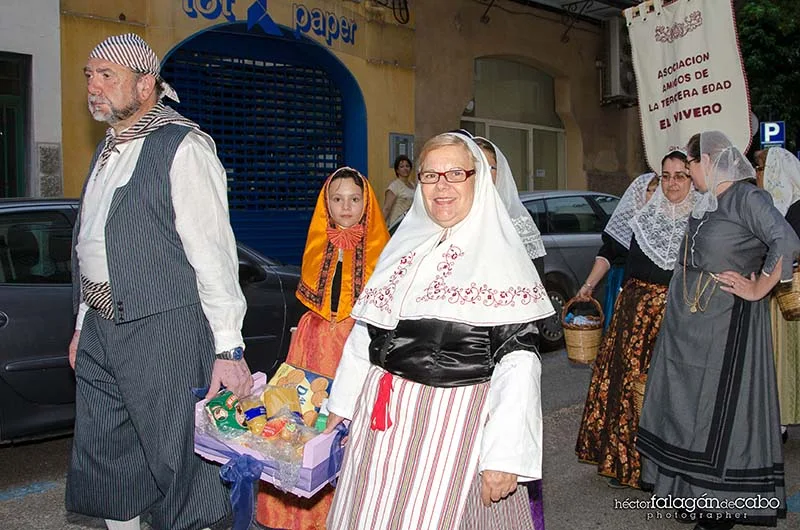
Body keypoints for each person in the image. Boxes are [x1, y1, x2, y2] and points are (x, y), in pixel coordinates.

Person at [66, 34, 252, 530]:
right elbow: (94, 247)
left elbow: (213, 254)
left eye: (108, 75)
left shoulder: (183, 146)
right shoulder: (108, 150)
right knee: (109, 458)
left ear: (145, 85)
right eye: (90, 74)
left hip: (164, 328)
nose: (94, 86)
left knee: (179, 468)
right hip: (104, 327)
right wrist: (85, 323)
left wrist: (229, 349)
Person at [323, 132, 555, 529]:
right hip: (380, 427)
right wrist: (340, 408)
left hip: (452, 431)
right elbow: (365, 336)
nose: (441, 186)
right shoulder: (403, 246)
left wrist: (503, 458)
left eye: (455, 173)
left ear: (478, 180)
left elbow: (519, 364)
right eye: (430, 175)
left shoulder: (502, 257)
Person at [637, 131, 798, 530]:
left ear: (706, 160)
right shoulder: (711, 203)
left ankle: (719, 508)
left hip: (726, 328)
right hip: (690, 329)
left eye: (689, 166)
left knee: (716, 415)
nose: (688, 175)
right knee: (688, 413)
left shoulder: (747, 198)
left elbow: (787, 239)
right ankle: (693, 496)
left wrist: (759, 286)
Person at [256, 167, 389, 529]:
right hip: (312, 345)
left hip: (357, 345)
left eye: (354, 199)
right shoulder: (317, 242)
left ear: (367, 203)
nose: (346, 207)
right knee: (303, 420)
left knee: (354, 433)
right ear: (326, 203)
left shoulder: (386, 250)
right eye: (337, 198)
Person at [575, 150, 696, 489]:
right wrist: (587, 288)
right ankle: (625, 461)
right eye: (666, 175)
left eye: (680, 176)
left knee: (668, 393)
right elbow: (609, 253)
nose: (672, 183)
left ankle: (664, 467)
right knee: (627, 389)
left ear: (692, 179)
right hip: (633, 315)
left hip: (675, 317)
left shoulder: (700, 219)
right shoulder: (643, 217)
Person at [758, 146, 800, 442]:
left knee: (785, 358)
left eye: (760, 169)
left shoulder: (793, 209)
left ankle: (782, 421)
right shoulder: (772, 207)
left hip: (790, 297)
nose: (757, 176)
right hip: (780, 297)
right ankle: (780, 420)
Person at [471, 136, 546, 273]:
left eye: (487, 168)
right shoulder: (446, 218)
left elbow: (535, 279)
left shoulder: (518, 223)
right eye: (475, 168)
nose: (481, 175)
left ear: (500, 173)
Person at [382, 154, 415, 226]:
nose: (405, 168)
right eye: (402, 167)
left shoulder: (413, 185)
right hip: (396, 225)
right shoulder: (394, 186)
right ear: (397, 170)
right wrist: (380, 226)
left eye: (407, 166)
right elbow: (386, 208)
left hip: (409, 225)